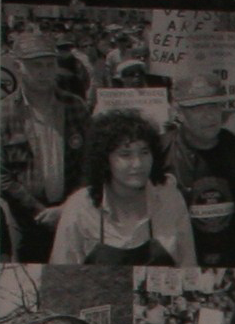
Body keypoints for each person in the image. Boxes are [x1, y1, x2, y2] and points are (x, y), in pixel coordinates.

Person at [48, 108, 195, 269]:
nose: (138, 164)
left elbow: (188, 267)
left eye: (144, 152)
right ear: (105, 160)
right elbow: (61, 274)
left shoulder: (170, 199)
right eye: (125, 155)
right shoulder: (80, 207)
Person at [162, 72, 235, 269]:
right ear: (179, 112)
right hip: (179, 259)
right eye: (197, 108)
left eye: (214, 105)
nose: (209, 115)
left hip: (233, 257)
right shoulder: (160, 152)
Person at [1, 26, 86, 261]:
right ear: (18, 66)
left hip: (73, 217)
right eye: (35, 65)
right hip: (25, 222)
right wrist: (39, 211)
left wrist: (67, 209)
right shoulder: (3, 113)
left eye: (49, 65)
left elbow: (90, 161)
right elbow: (0, 175)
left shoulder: (75, 106)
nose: (44, 72)